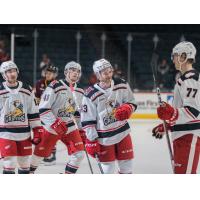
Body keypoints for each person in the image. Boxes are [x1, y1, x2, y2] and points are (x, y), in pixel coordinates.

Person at [81, 58, 137, 174]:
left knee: (127, 168)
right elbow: (87, 121)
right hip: (104, 139)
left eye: (110, 71)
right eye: (105, 73)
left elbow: (132, 102)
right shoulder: (90, 94)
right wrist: (91, 140)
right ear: (98, 75)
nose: (109, 75)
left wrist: (128, 108)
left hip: (123, 133)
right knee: (107, 171)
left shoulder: (122, 84)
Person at [152, 41, 200, 174]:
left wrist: (171, 113)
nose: (172, 59)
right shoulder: (184, 79)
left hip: (189, 137)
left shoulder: (190, 79)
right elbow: (182, 111)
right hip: (182, 136)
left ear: (184, 57)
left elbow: (193, 111)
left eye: (175, 55)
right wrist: (168, 125)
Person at [30, 61, 85, 174]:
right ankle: (29, 172)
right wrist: (54, 123)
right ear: (66, 72)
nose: (76, 73)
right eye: (73, 70)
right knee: (39, 156)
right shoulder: (55, 85)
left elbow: (77, 113)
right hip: (52, 126)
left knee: (79, 154)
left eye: (78, 71)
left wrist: (81, 129)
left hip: (69, 126)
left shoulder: (80, 91)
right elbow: (43, 108)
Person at [0, 61, 43, 174]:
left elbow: (33, 111)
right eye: (8, 71)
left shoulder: (26, 89)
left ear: (17, 72)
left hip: (24, 133)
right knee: (10, 162)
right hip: (5, 133)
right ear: (4, 75)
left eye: (13, 70)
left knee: (24, 164)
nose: (12, 73)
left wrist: (37, 129)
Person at [35, 64, 58, 165]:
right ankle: (44, 153)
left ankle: (52, 155)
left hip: (53, 113)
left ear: (55, 74)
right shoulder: (39, 83)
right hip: (41, 112)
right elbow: (37, 97)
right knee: (42, 133)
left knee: (51, 133)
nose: (48, 74)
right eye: (47, 73)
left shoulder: (58, 84)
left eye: (51, 73)